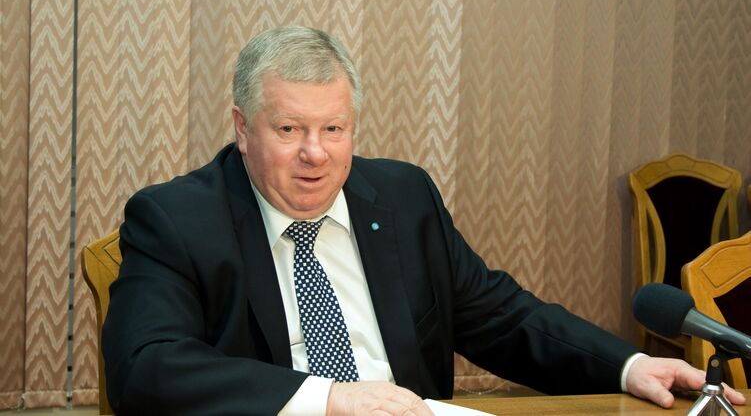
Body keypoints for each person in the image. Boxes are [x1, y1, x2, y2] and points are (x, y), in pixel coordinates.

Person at [102, 26, 745, 415]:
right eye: (289, 129)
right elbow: (147, 367)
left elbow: (502, 317)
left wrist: (630, 365)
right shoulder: (177, 219)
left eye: (334, 129)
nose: (315, 153)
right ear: (243, 129)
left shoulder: (403, 197)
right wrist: (330, 400)